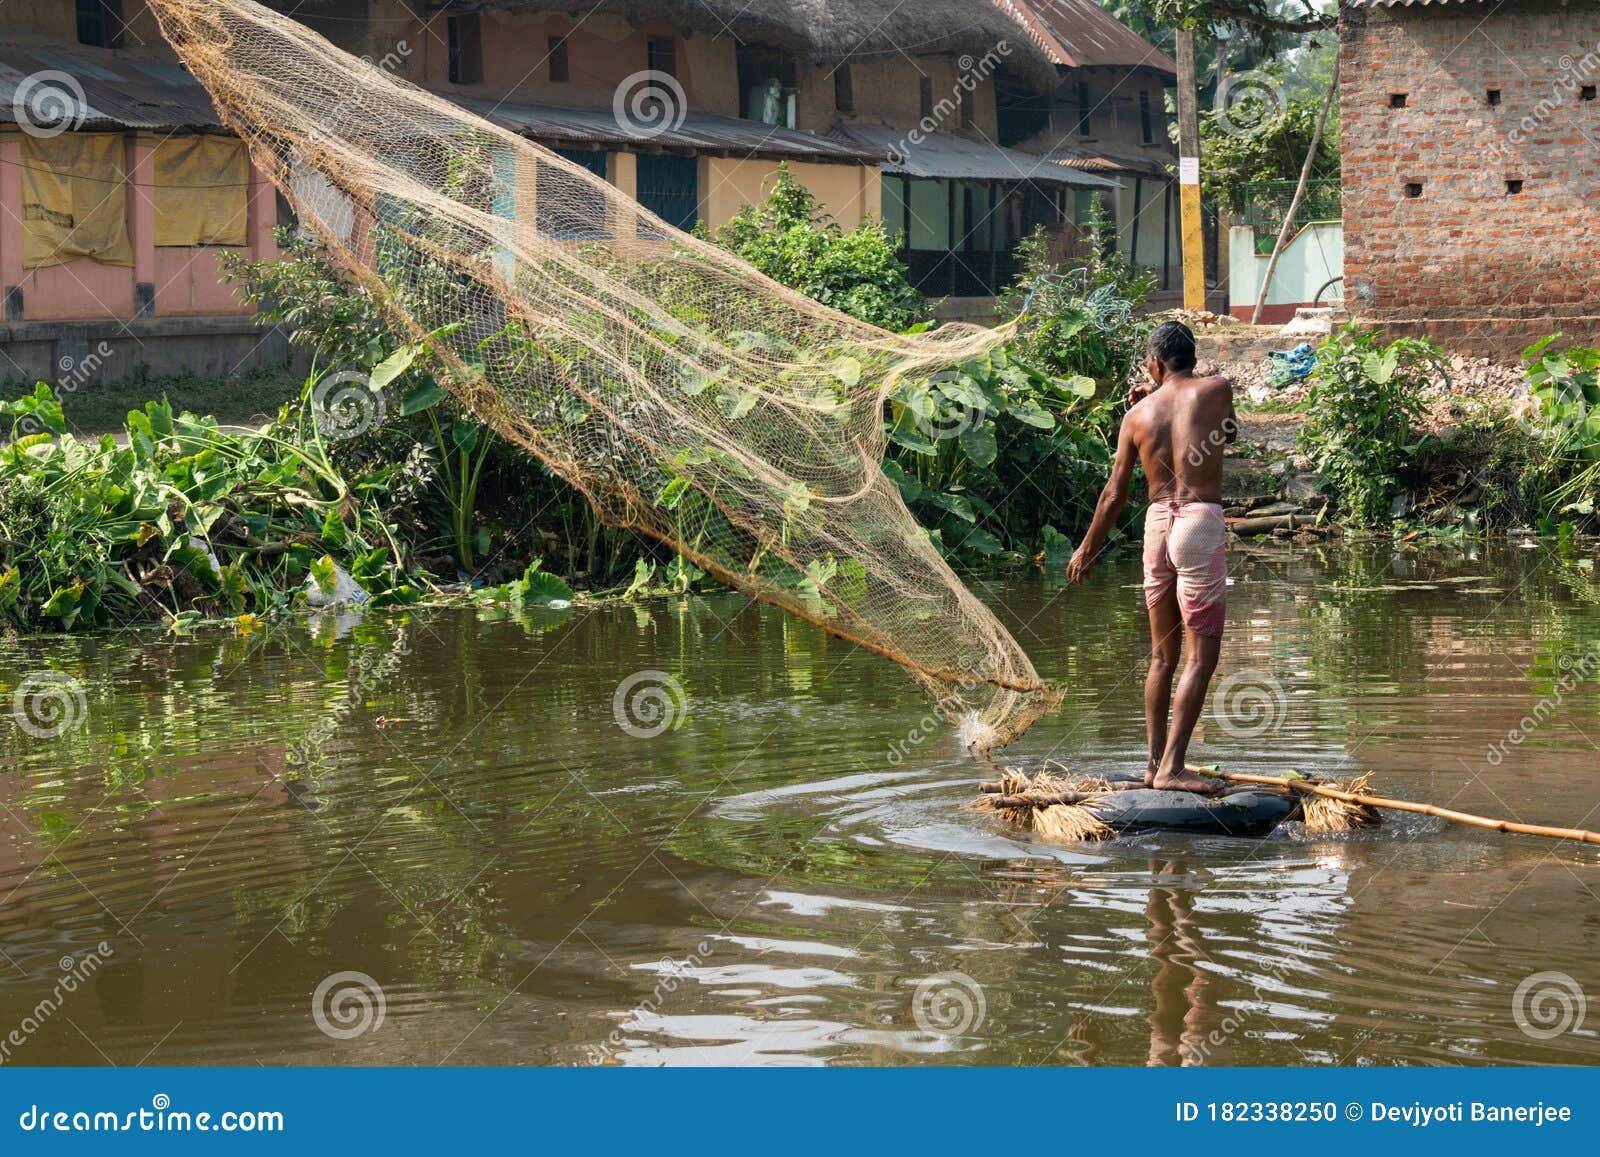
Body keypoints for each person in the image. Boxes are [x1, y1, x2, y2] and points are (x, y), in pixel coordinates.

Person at [1066, 321, 1237, 795]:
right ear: (1191, 358)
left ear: (1156, 363)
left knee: (1163, 657)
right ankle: (1173, 770)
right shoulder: (1217, 389)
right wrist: (1162, 385)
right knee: (1201, 660)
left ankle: (1152, 764)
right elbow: (1230, 431)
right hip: (1197, 524)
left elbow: (1114, 493)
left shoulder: (1136, 416)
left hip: (1156, 525)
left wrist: (1087, 548)